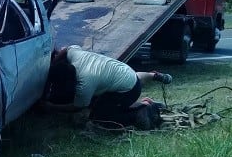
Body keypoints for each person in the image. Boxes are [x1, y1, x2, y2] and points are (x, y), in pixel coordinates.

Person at [43, 45, 172, 126]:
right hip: (125, 72)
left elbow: (78, 106)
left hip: (128, 90)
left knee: (100, 118)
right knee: (118, 82)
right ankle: (152, 76)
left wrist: (52, 107)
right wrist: (54, 62)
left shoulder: (84, 83)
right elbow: (66, 49)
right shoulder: (76, 56)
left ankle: (141, 110)